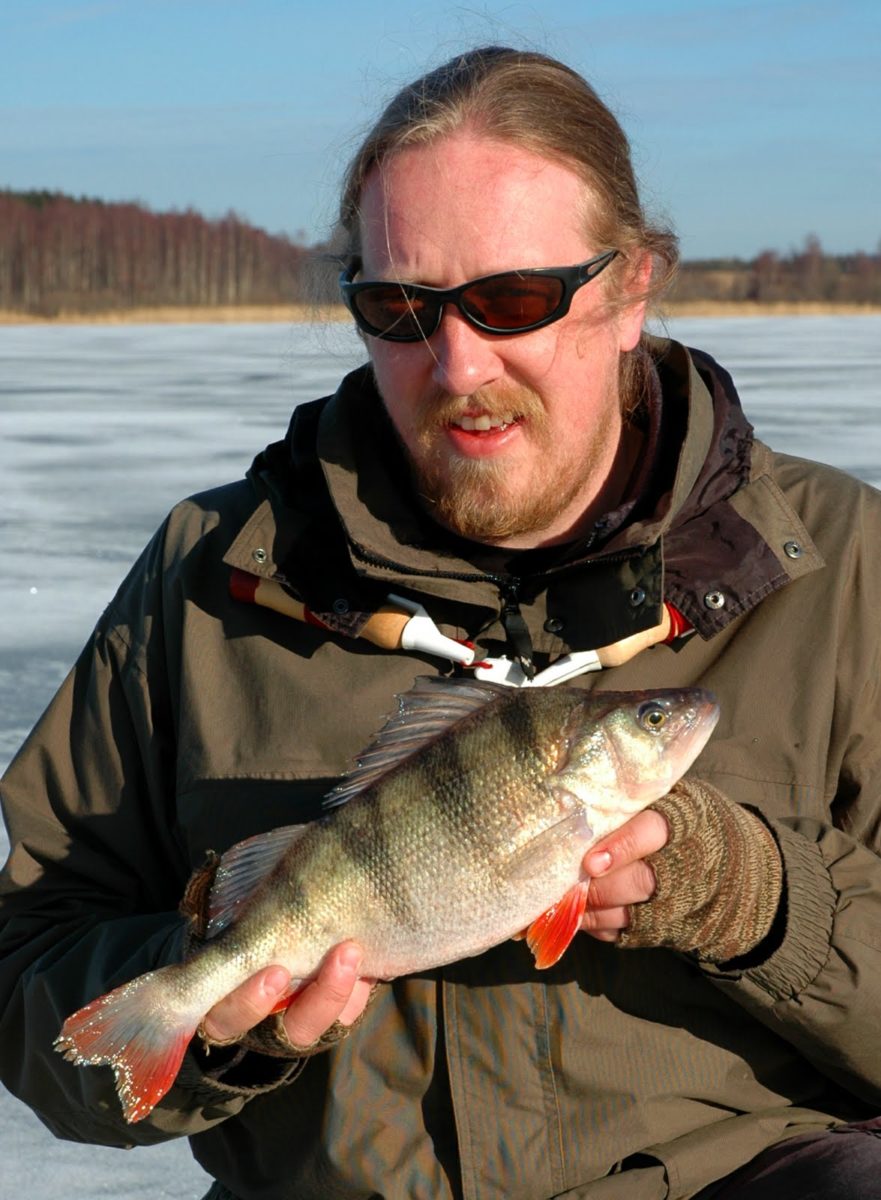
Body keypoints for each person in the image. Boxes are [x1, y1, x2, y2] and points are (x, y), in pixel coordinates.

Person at [1, 44, 880, 1200]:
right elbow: (36, 977)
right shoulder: (212, 577)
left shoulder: (837, 566)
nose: (456, 362)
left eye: (512, 299)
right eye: (398, 306)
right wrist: (220, 1015)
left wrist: (765, 905)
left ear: (631, 293)